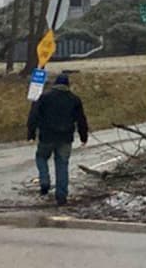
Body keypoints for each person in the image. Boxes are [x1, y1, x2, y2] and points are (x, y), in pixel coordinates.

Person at [26, 72, 89, 206]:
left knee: (41, 157)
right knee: (62, 165)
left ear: (55, 84)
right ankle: (61, 196)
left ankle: (44, 180)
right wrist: (84, 136)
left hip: (47, 136)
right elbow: (81, 119)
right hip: (65, 137)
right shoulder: (74, 99)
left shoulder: (44, 97)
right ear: (68, 85)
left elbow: (34, 115)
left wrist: (31, 133)